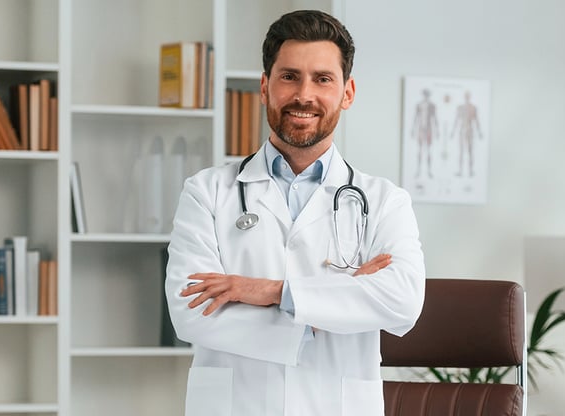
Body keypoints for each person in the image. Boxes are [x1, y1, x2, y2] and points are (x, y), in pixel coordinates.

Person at [165, 10, 425, 416]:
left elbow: (403, 302)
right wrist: (331, 309)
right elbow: (191, 313)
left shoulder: (385, 201)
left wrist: (270, 292)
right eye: (289, 77)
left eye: (323, 79)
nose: (304, 95)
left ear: (347, 93)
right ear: (265, 88)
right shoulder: (206, 192)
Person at [411, 88, 439, 178]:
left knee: (428, 151)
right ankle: (418, 170)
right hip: (420, 129)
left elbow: (435, 119)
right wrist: (413, 129)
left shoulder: (432, 106)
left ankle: (429, 171)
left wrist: (437, 130)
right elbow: (416, 118)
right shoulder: (419, 105)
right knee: (420, 151)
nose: (426, 96)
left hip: (428, 129)